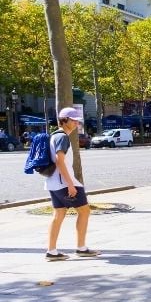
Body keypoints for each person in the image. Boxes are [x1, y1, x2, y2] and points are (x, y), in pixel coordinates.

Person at [45, 107, 99, 261]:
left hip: (53, 182)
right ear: (64, 120)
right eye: (73, 119)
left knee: (59, 214)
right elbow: (60, 161)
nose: (76, 122)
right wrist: (70, 184)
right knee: (84, 211)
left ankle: (52, 251)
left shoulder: (54, 136)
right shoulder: (62, 137)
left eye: (77, 120)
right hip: (64, 183)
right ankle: (81, 248)